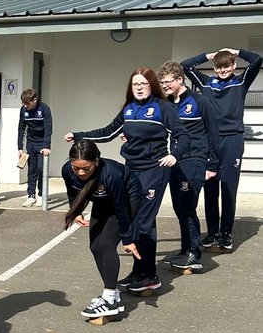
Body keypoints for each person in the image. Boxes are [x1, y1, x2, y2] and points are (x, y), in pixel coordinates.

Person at [65, 67, 184, 294]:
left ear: (152, 85)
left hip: (154, 170)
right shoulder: (129, 109)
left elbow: (182, 134)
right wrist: (79, 136)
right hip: (132, 170)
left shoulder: (163, 107)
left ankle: (149, 276)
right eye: (135, 84)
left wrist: (174, 155)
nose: (139, 88)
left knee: (143, 223)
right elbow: (109, 132)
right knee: (135, 220)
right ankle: (139, 272)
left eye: (143, 84)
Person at [180, 46, 262, 252]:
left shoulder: (241, 82)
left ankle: (226, 234)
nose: (222, 70)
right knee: (210, 187)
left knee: (228, 188)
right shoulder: (207, 83)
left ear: (233, 65)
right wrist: (209, 56)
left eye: (226, 66)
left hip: (232, 141)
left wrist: (236, 51)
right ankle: (212, 232)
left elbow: (257, 60)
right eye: (218, 66)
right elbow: (185, 66)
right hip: (210, 140)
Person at [62, 140, 137, 319]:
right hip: (102, 200)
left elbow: (120, 209)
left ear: (96, 161)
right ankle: (114, 296)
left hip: (128, 198)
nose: (80, 172)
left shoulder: (111, 175)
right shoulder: (67, 170)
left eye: (85, 168)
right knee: (95, 246)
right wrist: (76, 211)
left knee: (106, 244)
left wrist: (127, 239)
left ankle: (109, 298)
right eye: (76, 168)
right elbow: (72, 192)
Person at [157, 61, 220, 272]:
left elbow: (214, 134)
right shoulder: (167, 104)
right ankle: (185, 250)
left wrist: (212, 165)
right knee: (179, 208)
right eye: (162, 83)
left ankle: (194, 253)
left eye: (167, 82)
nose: (164, 86)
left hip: (195, 160)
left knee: (187, 208)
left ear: (180, 79)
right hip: (175, 161)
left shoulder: (200, 101)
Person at [17, 89, 53, 206]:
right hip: (31, 143)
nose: (25, 106)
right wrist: (20, 147)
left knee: (41, 169)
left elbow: (48, 129)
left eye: (27, 103)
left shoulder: (44, 109)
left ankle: (42, 194)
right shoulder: (23, 110)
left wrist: (46, 146)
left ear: (34, 100)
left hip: (42, 143)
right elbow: (21, 128)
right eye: (24, 103)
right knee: (32, 170)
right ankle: (31, 195)